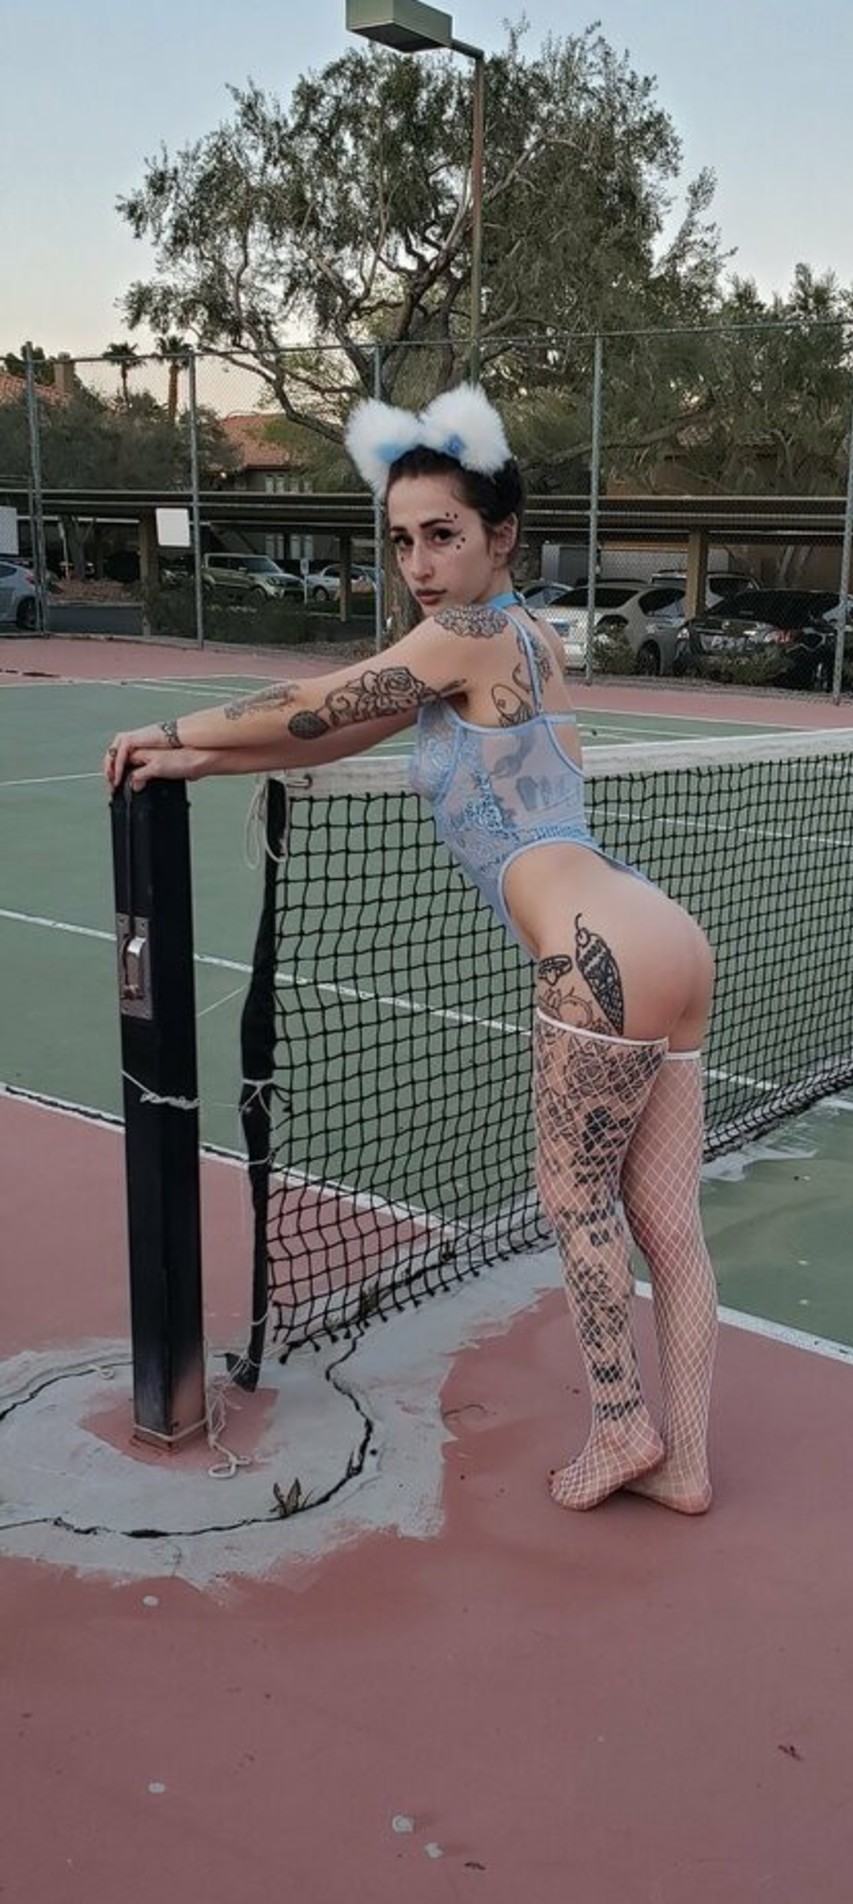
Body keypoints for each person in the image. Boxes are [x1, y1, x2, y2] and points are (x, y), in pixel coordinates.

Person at [105, 385, 718, 1515]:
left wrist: (170, 729)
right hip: (662, 933)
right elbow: (343, 724)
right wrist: (204, 762)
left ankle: (625, 1426)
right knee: (669, 1226)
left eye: (443, 534)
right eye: (401, 541)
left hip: (596, 956)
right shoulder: (519, 637)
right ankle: (686, 1465)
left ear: (502, 536)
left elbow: (316, 697)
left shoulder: (469, 634)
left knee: (575, 1203)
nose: (420, 564)